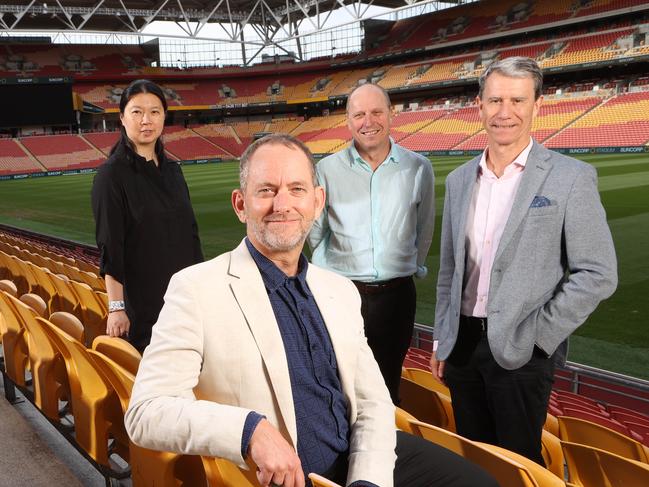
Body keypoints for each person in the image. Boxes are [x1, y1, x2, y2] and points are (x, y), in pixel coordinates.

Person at [124, 134, 497, 487]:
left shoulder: (339, 290)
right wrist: (250, 430)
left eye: (296, 189)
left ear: (318, 202)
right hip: (288, 474)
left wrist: (366, 479)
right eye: (266, 190)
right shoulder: (196, 288)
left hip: (359, 458)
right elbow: (146, 412)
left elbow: (372, 400)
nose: (282, 204)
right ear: (241, 205)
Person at [431, 57, 617, 465]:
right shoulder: (461, 178)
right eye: (495, 100)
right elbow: (450, 269)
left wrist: (540, 336)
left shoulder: (570, 177)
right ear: (479, 105)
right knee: (473, 461)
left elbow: (598, 272)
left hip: (522, 348)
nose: (505, 112)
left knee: (518, 464)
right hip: (461, 347)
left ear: (537, 106)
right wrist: (443, 337)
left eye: (517, 100)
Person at [308, 83, 435, 404]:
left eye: (377, 112)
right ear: (348, 121)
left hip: (397, 297)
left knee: (388, 385)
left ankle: (386, 452)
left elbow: (425, 227)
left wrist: (407, 265)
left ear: (391, 115)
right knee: (339, 385)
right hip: (342, 295)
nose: (369, 121)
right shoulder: (326, 169)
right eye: (359, 114)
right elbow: (314, 231)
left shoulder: (418, 167)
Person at [91, 79, 203, 353]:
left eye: (154, 111)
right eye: (137, 112)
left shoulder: (174, 172)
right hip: (146, 307)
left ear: (164, 116)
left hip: (187, 301)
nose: (146, 120)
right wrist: (116, 309)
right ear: (122, 117)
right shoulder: (111, 176)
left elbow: (190, 234)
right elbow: (111, 247)